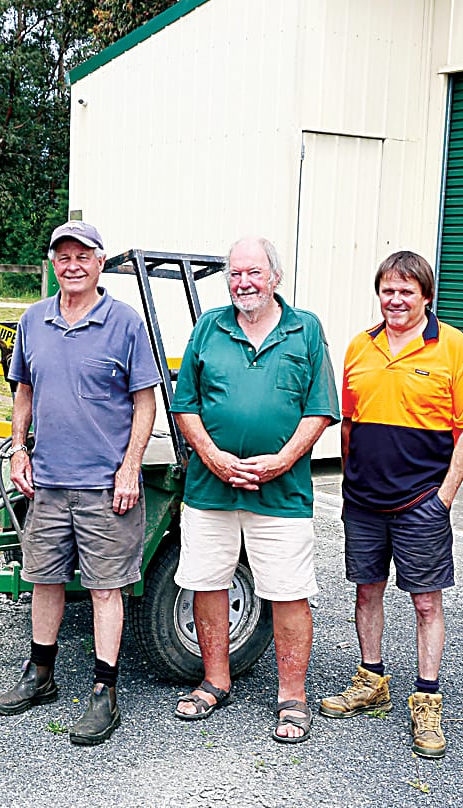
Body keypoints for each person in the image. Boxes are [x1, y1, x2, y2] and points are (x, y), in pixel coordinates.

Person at [0, 220, 160, 746]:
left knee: (106, 588)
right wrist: (20, 448)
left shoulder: (125, 324)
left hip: (105, 485)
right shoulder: (32, 321)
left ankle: (103, 692)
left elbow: (145, 402)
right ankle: (40, 675)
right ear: (52, 264)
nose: (72, 265)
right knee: (44, 579)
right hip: (47, 482)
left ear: (99, 263)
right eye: (62, 257)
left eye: (82, 256)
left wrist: (130, 467)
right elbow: (23, 390)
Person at [170, 237, 338, 743]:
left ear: (275, 277)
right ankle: (215, 680)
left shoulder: (304, 329)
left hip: (282, 492)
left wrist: (283, 460)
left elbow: (321, 407)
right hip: (210, 488)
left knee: (289, 593)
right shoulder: (209, 326)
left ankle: (292, 696)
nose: (243, 282)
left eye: (253, 273)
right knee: (206, 583)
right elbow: (185, 405)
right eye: (235, 273)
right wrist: (215, 458)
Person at [319, 251, 463, 760]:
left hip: (422, 501)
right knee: (367, 592)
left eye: (406, 291)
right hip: (364, 499)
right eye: (388, 290)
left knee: (425, 601)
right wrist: (350, 478)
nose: (396, 299)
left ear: (426, 296)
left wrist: (446, 497)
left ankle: (428, 698)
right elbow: (349, 424)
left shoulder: (455, 348)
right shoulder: (359, 347)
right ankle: (372, 680)